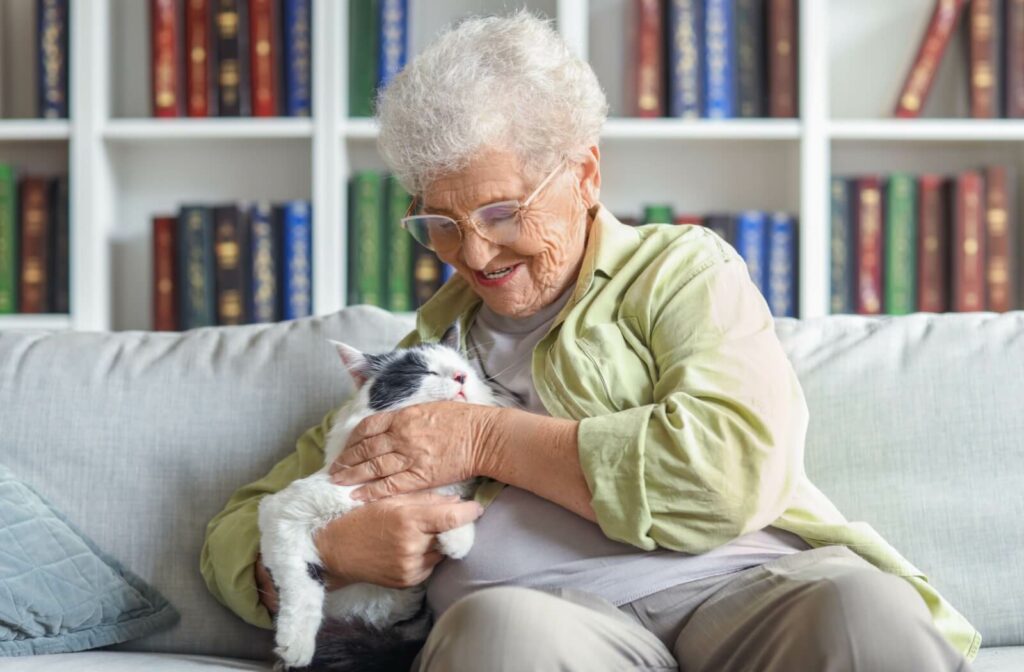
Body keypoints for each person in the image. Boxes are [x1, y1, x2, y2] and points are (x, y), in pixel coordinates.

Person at [201, 11, 977, 671]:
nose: (473, 255)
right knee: (499, 635)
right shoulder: (424, 352)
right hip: (547, 624)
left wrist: (483, 439)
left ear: (585, 175)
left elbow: (730, 466)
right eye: (442, 225)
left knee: (864, 609)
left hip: (744, 590)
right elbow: (238, 529)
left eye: (501, 213)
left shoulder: (679, 271)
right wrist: (336, 551)